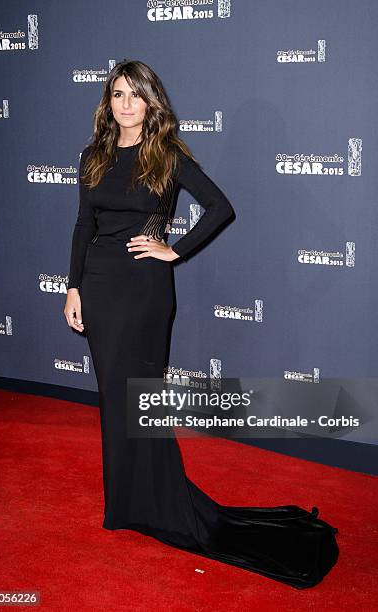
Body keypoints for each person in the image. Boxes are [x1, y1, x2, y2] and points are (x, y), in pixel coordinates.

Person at [64, 60, 339, 589]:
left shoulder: (165, 155)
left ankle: (161, 506)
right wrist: (73, 286)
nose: (125, 104)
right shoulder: (93, 156)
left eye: (135, 95)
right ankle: (127, 504)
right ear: (108, 102)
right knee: (114, 399)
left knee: (139, 399)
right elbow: (83, 224)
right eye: (116, 94)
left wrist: (175, 250)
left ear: (151, 102)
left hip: (144, 293)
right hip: (98, 289)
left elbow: (219, 207)